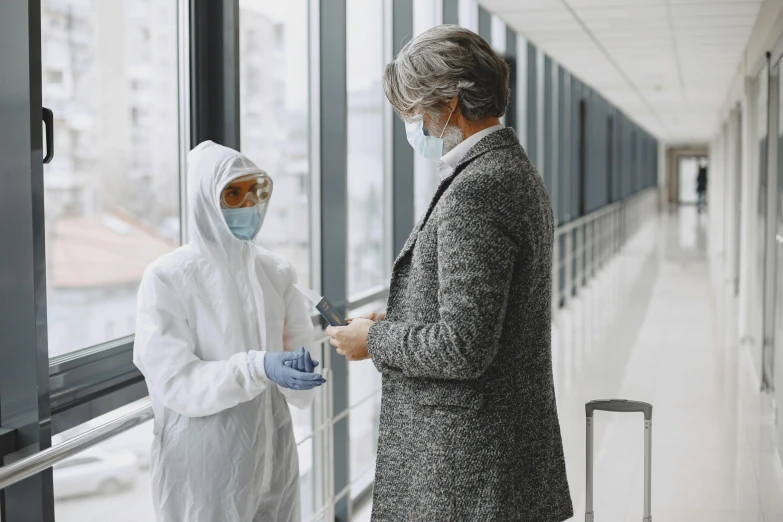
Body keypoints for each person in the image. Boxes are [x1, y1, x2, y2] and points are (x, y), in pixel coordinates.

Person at [326, 25, 573, 522]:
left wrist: (373, 342)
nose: (413, 124)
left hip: (468, 468)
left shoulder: (477, 190)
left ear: (449, 102)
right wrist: (392, 324)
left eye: (414, 111)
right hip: (497, 454)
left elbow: (464, 345)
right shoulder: (511, 171)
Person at [133, 140, 325, 522]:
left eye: (254, 191)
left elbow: (297, 355)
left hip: (274, 451)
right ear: (205, 198)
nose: (248, 205)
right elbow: (175, 381)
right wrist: (256, 368)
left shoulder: (275, 271)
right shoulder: (168, 277)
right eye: (232, 193)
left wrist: (300, 371)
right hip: (205, 467)